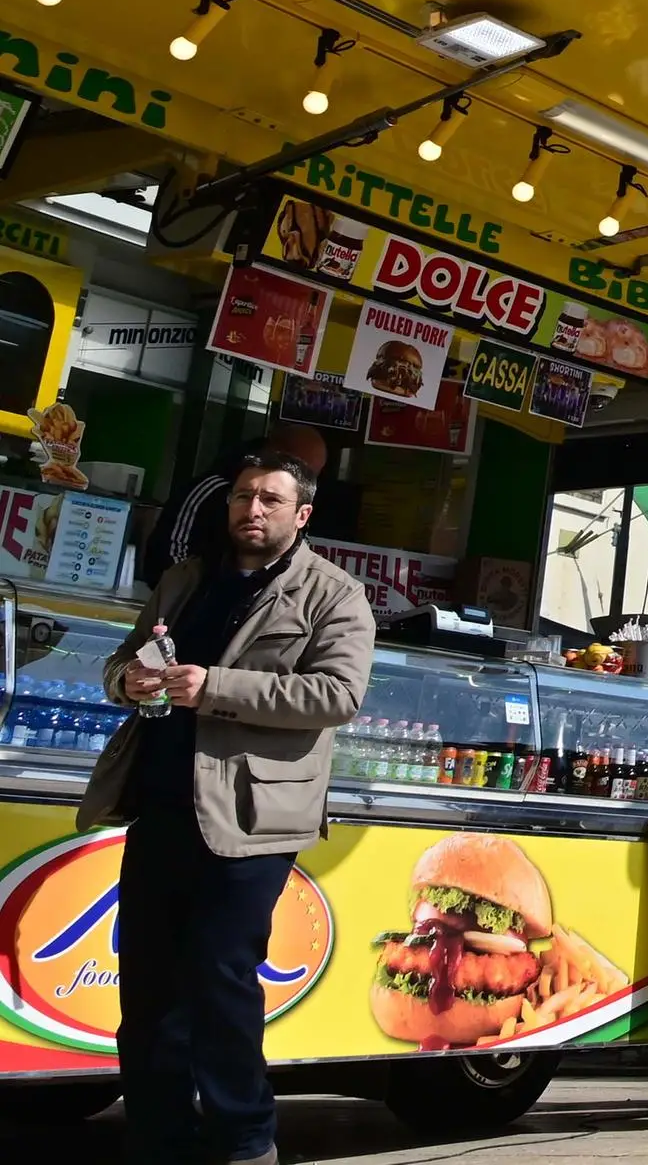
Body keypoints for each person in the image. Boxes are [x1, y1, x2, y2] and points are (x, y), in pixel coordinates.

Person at [85, 449, 373, 1165]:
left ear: (301, 514)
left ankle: (245, 1139)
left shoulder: (333, 594)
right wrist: (131, 681)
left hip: (252, 820)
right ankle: (157, 1138)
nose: (253, 509)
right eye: (244, 495)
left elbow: (336, 695)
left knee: (220, 978)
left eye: (271, 499)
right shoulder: (185, 579)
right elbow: (117, 664)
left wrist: (213, 684)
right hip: (162, 802)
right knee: (148, 990)